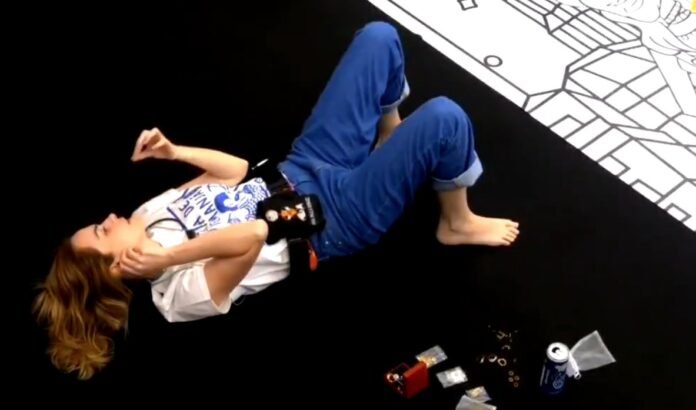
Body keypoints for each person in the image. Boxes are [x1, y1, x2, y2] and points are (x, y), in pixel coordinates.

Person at [33, 21, 520, 380]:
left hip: (302, 164)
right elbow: (255, 233)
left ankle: (389, 138)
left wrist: (175, 152)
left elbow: (237, 171)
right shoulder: (175, 298)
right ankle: (456, 221)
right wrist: (168, 258)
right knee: (444, 118)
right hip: (332, 220)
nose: (108, 217)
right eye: (101, 231)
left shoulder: (146, 215)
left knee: (378, 38)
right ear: (117, 265)